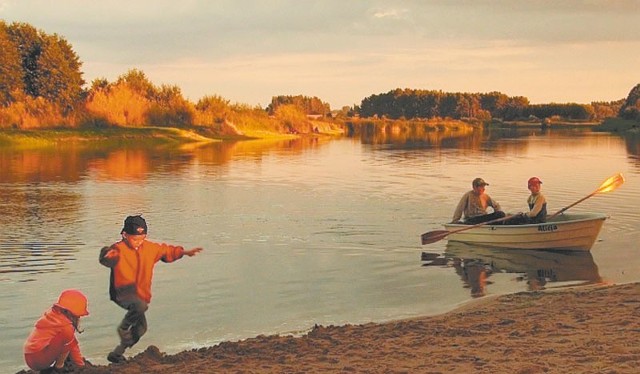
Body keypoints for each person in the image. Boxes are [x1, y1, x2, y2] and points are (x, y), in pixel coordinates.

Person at [99, 215, 203, 364]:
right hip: (122, 291)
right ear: (124, 235)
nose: (138, 242)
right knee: (140, 306)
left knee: (141, 328)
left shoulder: (149, 248)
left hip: (140, 293)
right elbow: (106, 258)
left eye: (142, 238)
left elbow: (166, 251)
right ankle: (123, 329)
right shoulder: (118, 249)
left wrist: (185, 252)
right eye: (135, 239)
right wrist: (106, 255)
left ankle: (117, 353)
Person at [23, 289, 89, 372]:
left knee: (68, 338)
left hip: (29, 356)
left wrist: (80, 363)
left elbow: (72, 343)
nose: (79, 318)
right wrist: (81, 365)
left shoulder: (51, 315)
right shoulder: (66, 327)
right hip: (41, 359)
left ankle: (61, 365)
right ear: (71, 313)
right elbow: (72, 346)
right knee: (67, 339)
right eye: (78, 315)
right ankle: (59, 366)